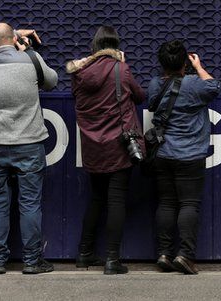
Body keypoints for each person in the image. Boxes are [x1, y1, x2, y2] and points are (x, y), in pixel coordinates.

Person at [0, 23, 58, 275]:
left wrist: (8, 40)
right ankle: (32, 262)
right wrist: (25, 47)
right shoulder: (31, 60)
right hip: (29, 143)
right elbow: (52, 81)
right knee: (30, 203)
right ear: (13, 39)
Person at [67, 25, 145, 275]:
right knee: (116, 200)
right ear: (117, 46)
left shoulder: (80, 72)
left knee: (97, 198)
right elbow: (140, 96)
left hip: (92, 146)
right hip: (119, 147)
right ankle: (112, 259)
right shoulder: (120, 69)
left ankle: (83, 253)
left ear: (95, 46)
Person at [148, 40, 220, 275]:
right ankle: (185, 256)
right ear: (184, 62)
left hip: (163, 153)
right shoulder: (194, 85)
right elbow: (214, 86)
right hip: (190, 154)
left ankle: (164, 253)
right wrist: (198, 67)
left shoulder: (154, 85)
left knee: (167, 203)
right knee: (189, 204)